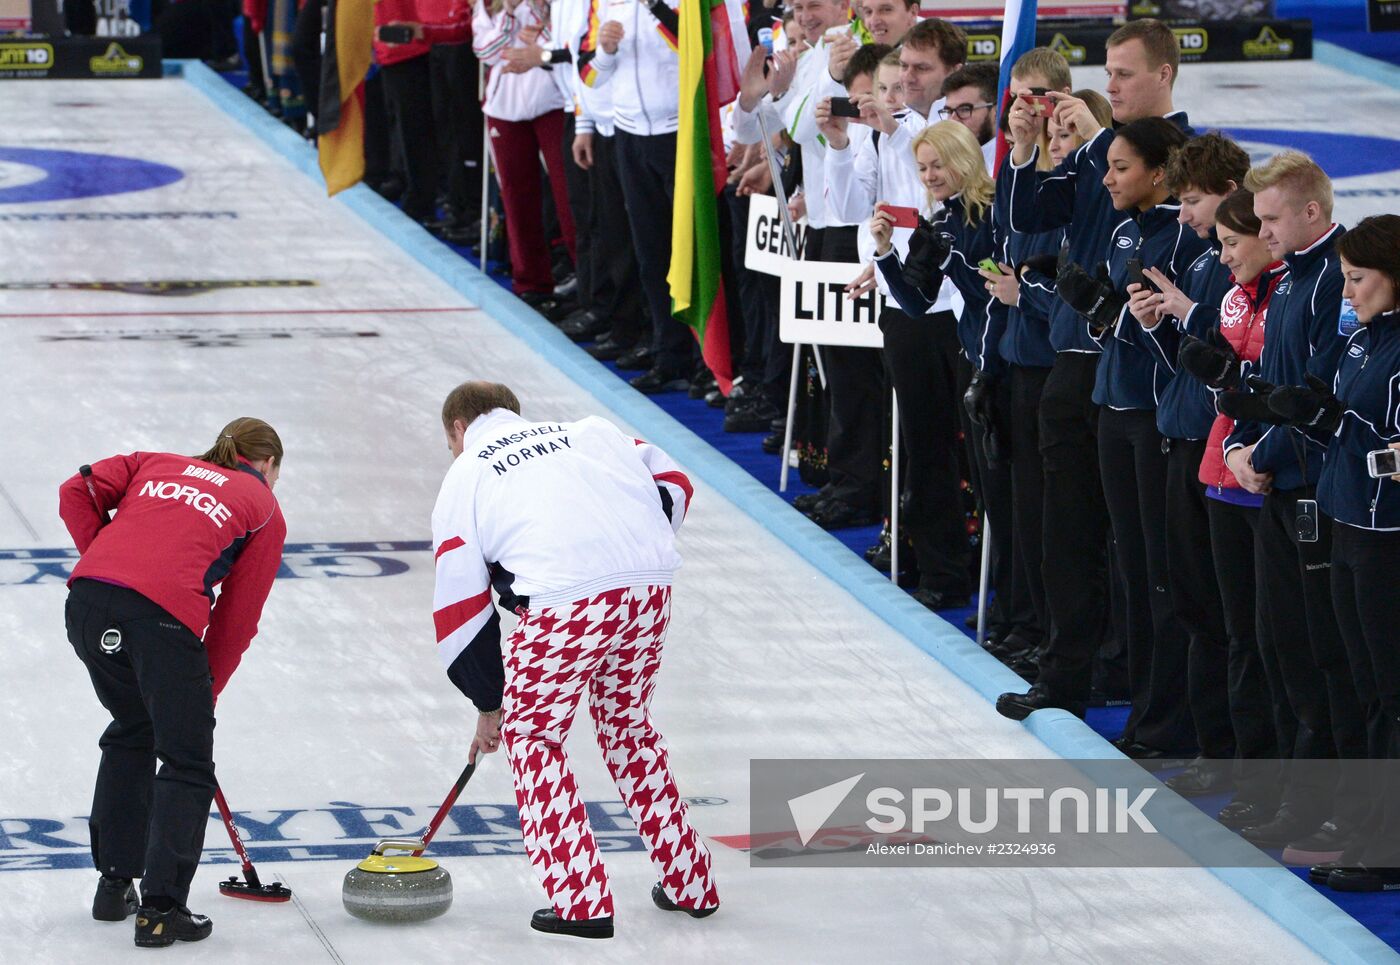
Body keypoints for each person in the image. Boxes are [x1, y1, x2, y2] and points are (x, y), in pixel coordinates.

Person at [431, 381, 718, 938]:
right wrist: (634, 544)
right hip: (648, 589)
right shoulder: (591, 432)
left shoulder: (467, 472)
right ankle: (691, 881)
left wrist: (490, 702)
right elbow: (675, 482)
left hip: (565, 604)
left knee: (535, 738)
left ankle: (581, 901)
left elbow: (460, 604)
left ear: (458, 429)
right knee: (629, 727)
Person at [995, 18, 1194, 725]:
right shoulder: (1100, 152)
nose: (1109, 86)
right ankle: (1068, 671)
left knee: (1146, 554)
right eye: (1106, 73)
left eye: (1124, 74)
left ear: (1165, 74)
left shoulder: (1184, 158)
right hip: (1078, 363)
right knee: (1067, 531)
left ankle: (1147, 693)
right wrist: (1026, 146)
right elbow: (1024, 217)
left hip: (1142, 379)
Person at [58, 419, 287, 948]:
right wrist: (204, 691)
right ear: (269, 466)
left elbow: (76, 489)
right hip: (160, 623)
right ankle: (161, 908)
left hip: (88, 605)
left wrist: (107, 558)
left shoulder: (153, 462)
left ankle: (114, 885)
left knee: (134, 725)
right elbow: (238, 616)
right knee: (186, 761)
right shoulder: (263, 504)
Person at [1219, 150, 1365, 863]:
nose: (1263, 229)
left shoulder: (1331, 286)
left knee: (1317, 659)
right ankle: (1298, 800)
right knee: (1282, 648)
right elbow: (1269, 386)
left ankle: (1327, 811)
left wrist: (1258, 455)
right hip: (1278, 487)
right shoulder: (1291, 277)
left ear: (1312, 212)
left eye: (1272, 218)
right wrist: (1241, 445)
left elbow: (1316, 397)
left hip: (1310, 494)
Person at [1266, 214, 1400, 891]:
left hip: (1387, 541)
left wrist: (1378, 454)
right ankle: (1369, 823)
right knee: (1365, 685)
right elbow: (1342, 419)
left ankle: (1387, 842)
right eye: (1344, 279)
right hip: (1346, 524)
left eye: (1357, 279)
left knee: (1391, 693)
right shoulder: (1362, 341)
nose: (1347, 292)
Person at [1124, 132, 1250, 795]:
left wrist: (1188, 311)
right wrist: (1156, 322)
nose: (1184, 215)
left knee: (1221, 609)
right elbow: (1189, 361)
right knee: (1192, 601)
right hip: (1182, 442)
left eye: (1194, 201)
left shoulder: (1235, 268)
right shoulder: (1203, 261)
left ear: (1231, 196)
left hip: (1221, 458)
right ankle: (1211, 742)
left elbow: (1233, 355)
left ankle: (1231, 750)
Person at [1175, 188, 1291, 827]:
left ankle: (1283, 786)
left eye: (1230, 243)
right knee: (1238, 633)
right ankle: (1251, 777)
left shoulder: (1295, 294)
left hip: (1265, 479)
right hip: (1221, 474)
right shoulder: (1233, 294)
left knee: (1272, 639)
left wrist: (1234, 383)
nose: (1222, 258)